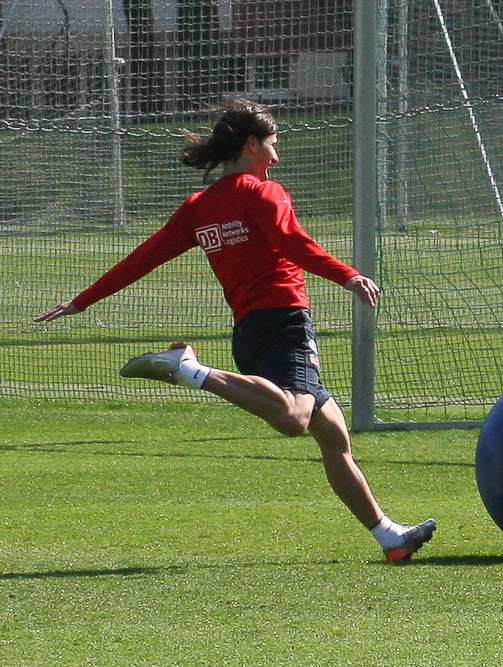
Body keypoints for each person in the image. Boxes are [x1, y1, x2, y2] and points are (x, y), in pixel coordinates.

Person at [34, 100, 436, 562]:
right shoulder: (263, 192)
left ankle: (390, 537)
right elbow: (291, 240)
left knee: (334, 436)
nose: (277, 157)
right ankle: (190, 370)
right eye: (272, 144)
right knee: (294, 419)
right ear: (251, 144)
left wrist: (82, 301)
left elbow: (142, 258)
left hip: (248, 330)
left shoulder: (199, 206)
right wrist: (347, 274)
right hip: (284, 321)